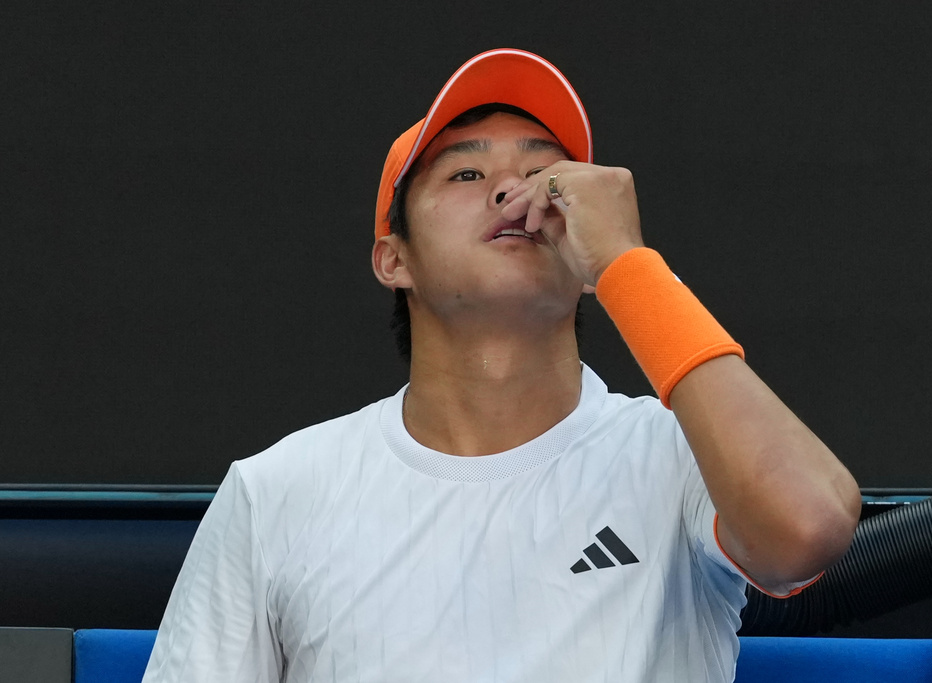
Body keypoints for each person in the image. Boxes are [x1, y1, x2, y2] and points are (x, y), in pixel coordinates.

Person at [142, 48, 861, 683]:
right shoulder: (276, 492)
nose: (513, 191)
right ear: (394, 259)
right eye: (466, 171)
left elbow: (807, 529)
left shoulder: (680, 454)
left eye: (548, 176)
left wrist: (627, 265)